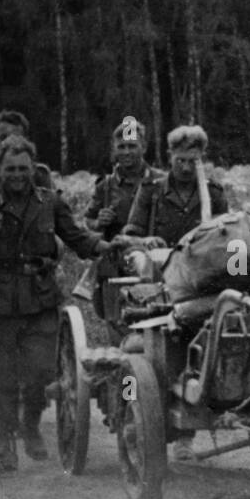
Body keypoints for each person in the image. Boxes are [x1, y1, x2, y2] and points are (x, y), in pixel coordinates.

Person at [0, 135, 110, 474]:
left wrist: (106, 247)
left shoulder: (50, 202)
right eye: (10, 168)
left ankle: (31, 423)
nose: (17, 175)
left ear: (33, 169)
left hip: (40, 299)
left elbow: (77, 238)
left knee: (42, 370)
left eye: (23, 168)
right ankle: (5, 442)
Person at [122, 125, 228, 461]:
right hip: (163, 278)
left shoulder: (212, 191)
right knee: (170, 344)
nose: (184, 167)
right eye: (180, 160)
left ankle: (191, 427)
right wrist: (145, 241)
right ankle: (165, 421)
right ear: (170, 158)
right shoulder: (151, 191)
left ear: (201, 160)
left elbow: (227, 234)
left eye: (191, 161)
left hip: (203, 278)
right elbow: (130, 233)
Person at [84, 116, 164, 340]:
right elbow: (87, 222)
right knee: (117, 323)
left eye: (132, 146)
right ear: (114, 150)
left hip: (153, 262)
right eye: (122, 147)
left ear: (144, 147)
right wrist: (99, 222)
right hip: (115, 266)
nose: (127, 152)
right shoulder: (105, 186)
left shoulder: (160, 181)